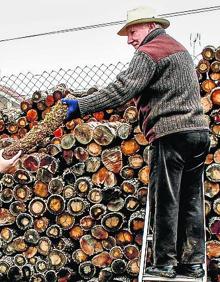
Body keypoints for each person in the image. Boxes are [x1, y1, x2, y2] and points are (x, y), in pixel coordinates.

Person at [62, 6, 210, 279]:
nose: (129, 39)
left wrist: (80, 106)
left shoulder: (150, 52)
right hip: (198, 133)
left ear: (150, 25)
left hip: (171, 133)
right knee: (191, 201)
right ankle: (193, 263)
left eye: (132, 31)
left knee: (165, 199)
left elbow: (122, 89)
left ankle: (164, 263)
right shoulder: (178, 49)